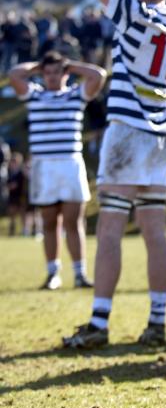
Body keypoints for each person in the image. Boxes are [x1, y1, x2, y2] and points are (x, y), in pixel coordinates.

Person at [62, 0, 166, 348]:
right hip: (161, 135)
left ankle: (99, 323)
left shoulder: (133, 11)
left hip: (127, 131)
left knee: (111, 229)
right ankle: (157, 321)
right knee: (155, 233)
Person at [8, 50, 106, 289]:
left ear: (66, 74)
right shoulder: (34, 95)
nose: (52, 77)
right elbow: (14, 75)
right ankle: (53, 273)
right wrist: (38, 67)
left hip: (69, 163)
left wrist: (70, 65)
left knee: (74, 221)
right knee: (49, 221)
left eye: (57, 73)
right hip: (44, 166)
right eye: (48, 73)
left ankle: (80, 273)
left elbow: (98, 75)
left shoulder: (75, 95)